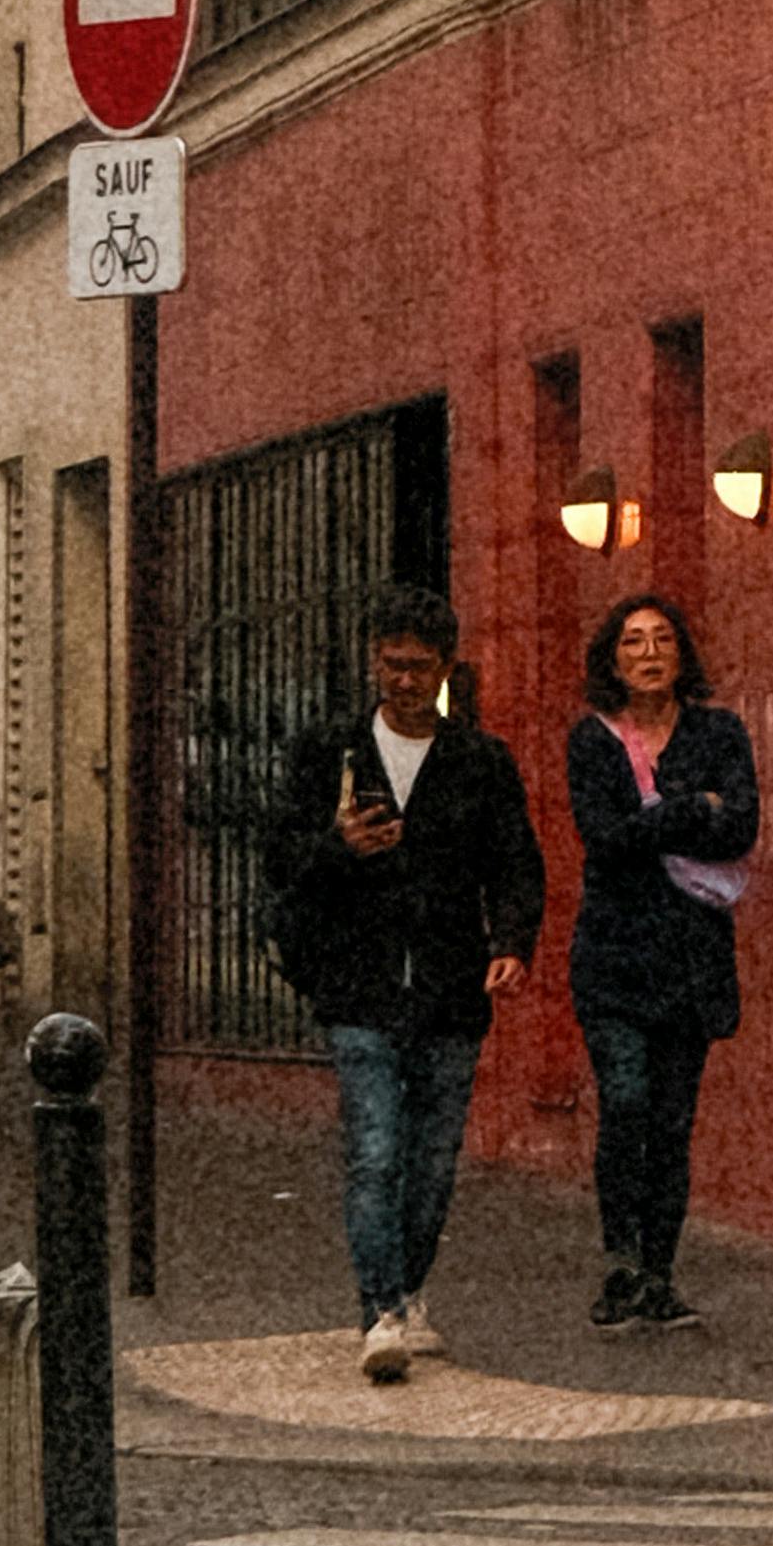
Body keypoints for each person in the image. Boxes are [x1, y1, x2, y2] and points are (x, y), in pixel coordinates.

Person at [264, 584, 544, 1382]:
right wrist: (339, 844)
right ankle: (379, 1309)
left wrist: (512, 941)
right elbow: (280, 858)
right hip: (358, 985)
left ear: (446, 667)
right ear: (371, 661)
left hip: (453, 987)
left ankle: (409, 1286)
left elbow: (516, 862)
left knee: (433, 1159)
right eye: (391, 664)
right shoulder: (331, 753)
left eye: (420, 666)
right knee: (376, 1150)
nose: (405, 680)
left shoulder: (480, 760)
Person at [564, 593, 759, 1332]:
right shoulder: (593, 742)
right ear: (612, 659)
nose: (649, 653)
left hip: (692, 960)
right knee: (626, 1099)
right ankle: (618, 1258)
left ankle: (659, 1271)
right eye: (633, 641)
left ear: (682, 654)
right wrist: (688, 809)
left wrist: (659, 818)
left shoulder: (721, 731)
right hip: (614, 958)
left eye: (662, 639)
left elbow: (741, 825)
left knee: (673, 1121)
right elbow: (603, 838)